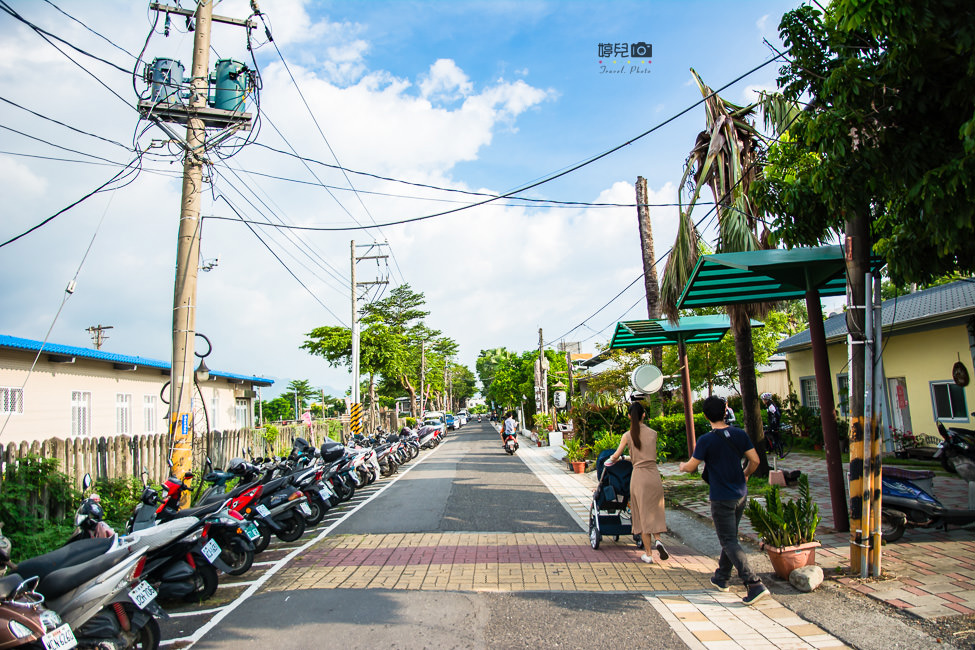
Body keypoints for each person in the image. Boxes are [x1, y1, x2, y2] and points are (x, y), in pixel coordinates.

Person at [678, 395, 769, 605]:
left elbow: (692, 467)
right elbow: (755, 460)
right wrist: (745, 473)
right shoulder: (738, 434)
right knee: (731, 537)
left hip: (721, 496)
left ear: (705, 416)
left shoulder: (706, 440)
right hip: (740, 493)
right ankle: (722, 577)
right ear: (726, 410)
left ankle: (753, 583)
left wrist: (683, 466)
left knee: (728, 540)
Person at [604, 401, 669, 564]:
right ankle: (658, 540)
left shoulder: (627, 435)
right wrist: (629, 457)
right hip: (653, 475)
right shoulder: (653, 433)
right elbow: (645, 455)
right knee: (655, 510)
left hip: (639, 477)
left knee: (641, 514)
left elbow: (616, 455)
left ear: (628, 416)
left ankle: (648, 553)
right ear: (644, 415)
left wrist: (611, 460)